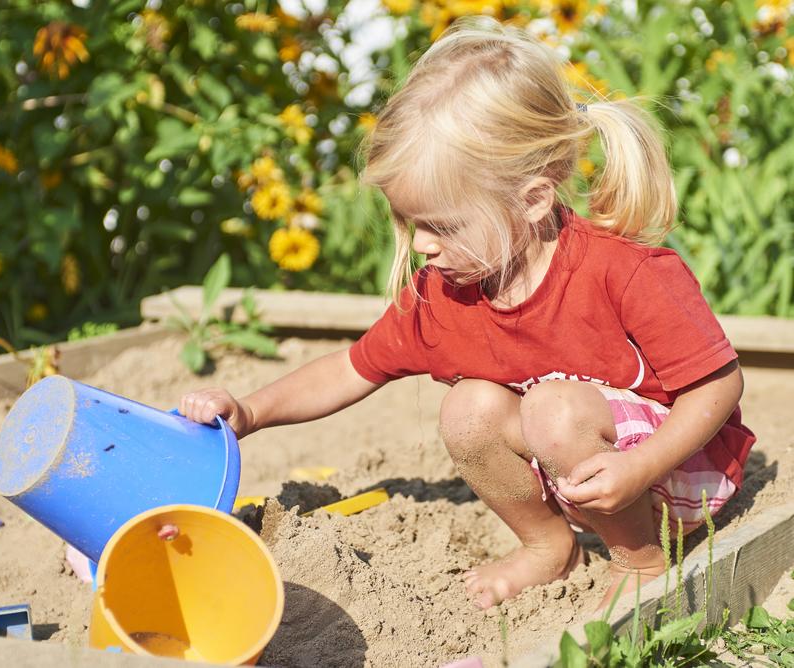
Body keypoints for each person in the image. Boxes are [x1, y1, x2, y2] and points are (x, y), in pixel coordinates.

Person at [180, 17, 755, 611]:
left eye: (443, 226)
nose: (423, 245)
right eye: (410, 222)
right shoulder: (445, 294)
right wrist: (249, 411)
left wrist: (641, 468)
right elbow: (350, 369)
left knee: (553, 407)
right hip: (585, 474)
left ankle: (642, 561)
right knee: (467, 407)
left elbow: (717, 386)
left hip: (678, 475)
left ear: (532, 199)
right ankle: (549, 547)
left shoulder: (624, 272)